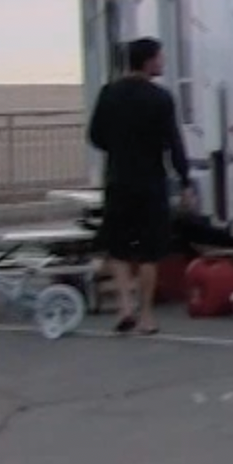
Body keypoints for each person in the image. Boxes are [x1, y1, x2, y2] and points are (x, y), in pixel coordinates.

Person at [86, 37, 194, 335]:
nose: (163, 63)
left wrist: (119, 147)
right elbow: (174, 143)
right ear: (147, 62)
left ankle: (124, 306)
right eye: (160, 58)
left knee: (118, 246)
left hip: (118, 179)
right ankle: (146, 315)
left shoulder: (108, 93)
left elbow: (95, 136)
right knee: (150, 251)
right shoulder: (160, 98)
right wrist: (185, 181)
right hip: (151, 182)